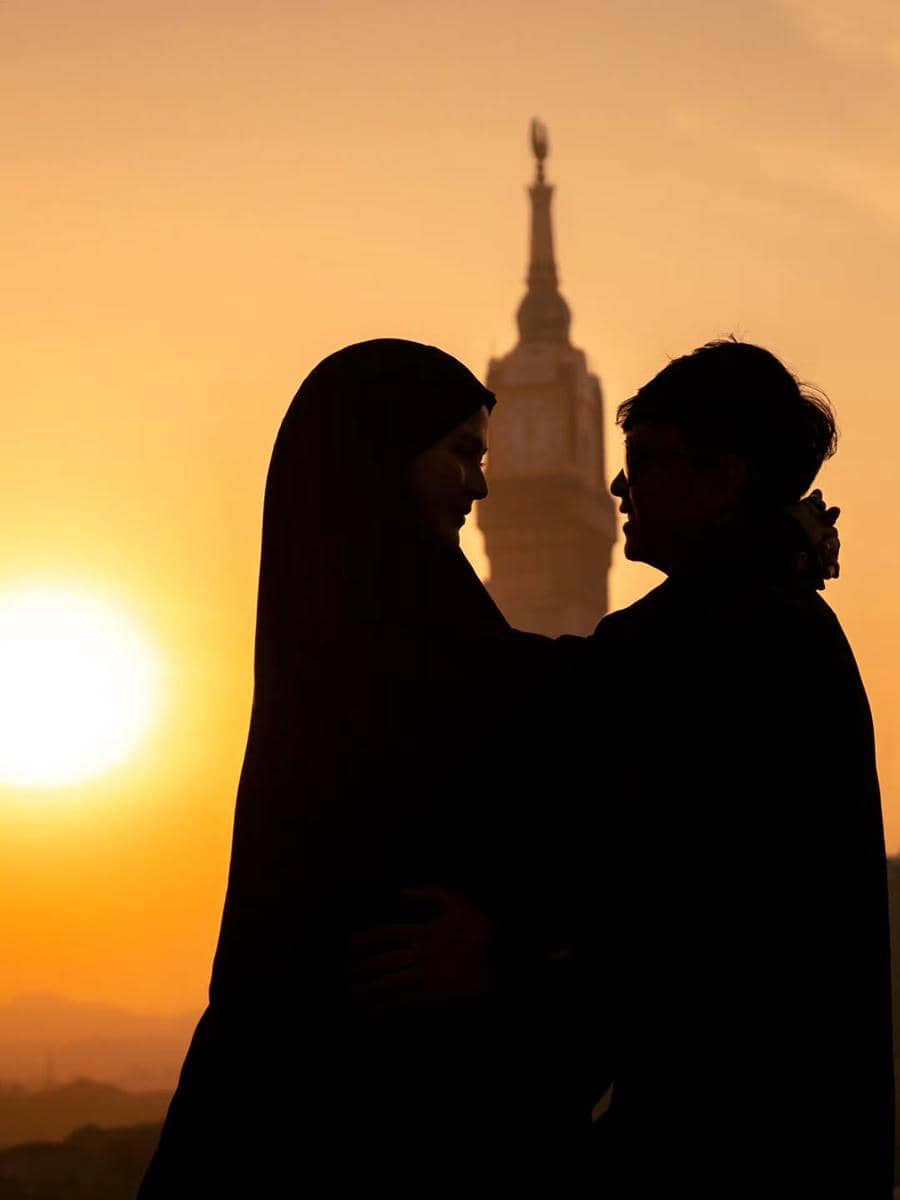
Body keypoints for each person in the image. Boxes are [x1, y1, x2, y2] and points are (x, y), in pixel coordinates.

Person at [137, 338, 575, 1198]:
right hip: (375, 1109)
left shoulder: (377, 638)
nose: (482, 489)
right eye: (460, 455)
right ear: (383, 452)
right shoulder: (397, 656)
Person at [580, 340, 893, 1196]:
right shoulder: (791, 629)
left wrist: (495, 960)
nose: (620, 489)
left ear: (723, 479)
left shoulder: (681, 647)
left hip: (711, 1144)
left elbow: (664, 901)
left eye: (643, 464)